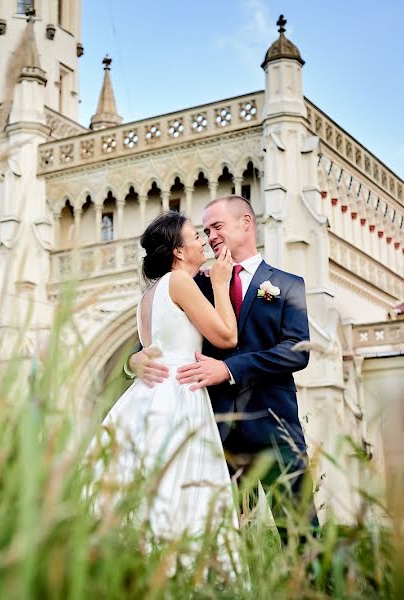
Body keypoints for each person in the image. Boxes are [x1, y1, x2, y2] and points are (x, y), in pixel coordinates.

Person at [127, 195, 317, 545]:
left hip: (275, 429)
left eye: (216, 226)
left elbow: (296, 352)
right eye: (204, 230)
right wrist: (135, 361)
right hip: (212, 435)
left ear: (246, 222)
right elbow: (154, 342)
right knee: (214, 539)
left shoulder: (288, 285)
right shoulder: (191, 283)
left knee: (302, 538)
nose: (210, 236)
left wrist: (229, 369)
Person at [88, 210, 241, 572]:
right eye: (195, 236)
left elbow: (146, 351)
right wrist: (220, 284)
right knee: (182, 490)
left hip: (147, 396)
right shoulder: (179, 282)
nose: (203, 241)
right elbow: (227, 336)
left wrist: (132, 363)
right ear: (177, 250)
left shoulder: (148, 295)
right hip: (179, 392)